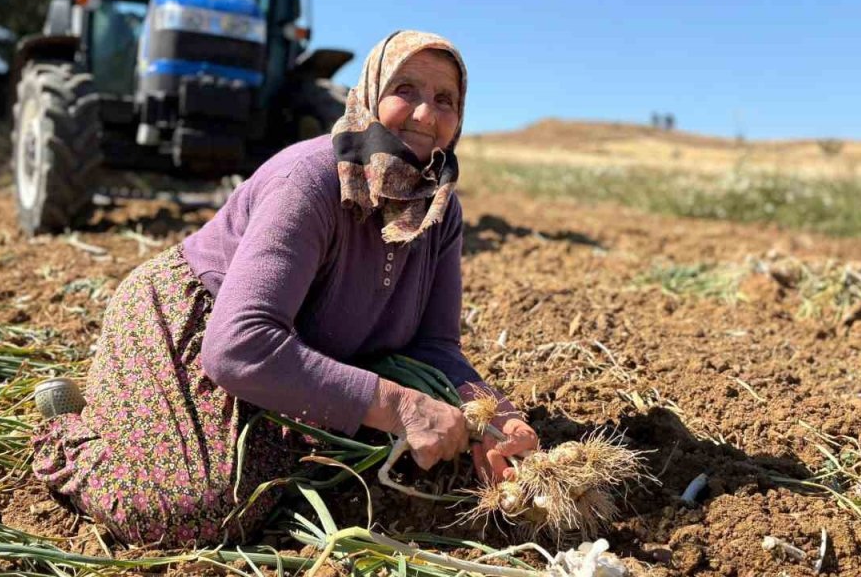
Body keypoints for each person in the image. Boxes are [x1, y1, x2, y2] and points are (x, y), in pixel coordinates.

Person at [32, 30, 539, 548]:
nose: (426, 116)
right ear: (368, 93)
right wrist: (403, 406)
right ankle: (69, 430)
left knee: (313, 470)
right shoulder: (312, 180)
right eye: (405, 90)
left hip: (290, 350)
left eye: (445, 100)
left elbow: (435, 348)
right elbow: (238, 344)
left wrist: (492, 412)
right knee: (203, 507)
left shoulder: (438, 207)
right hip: (195, 323)